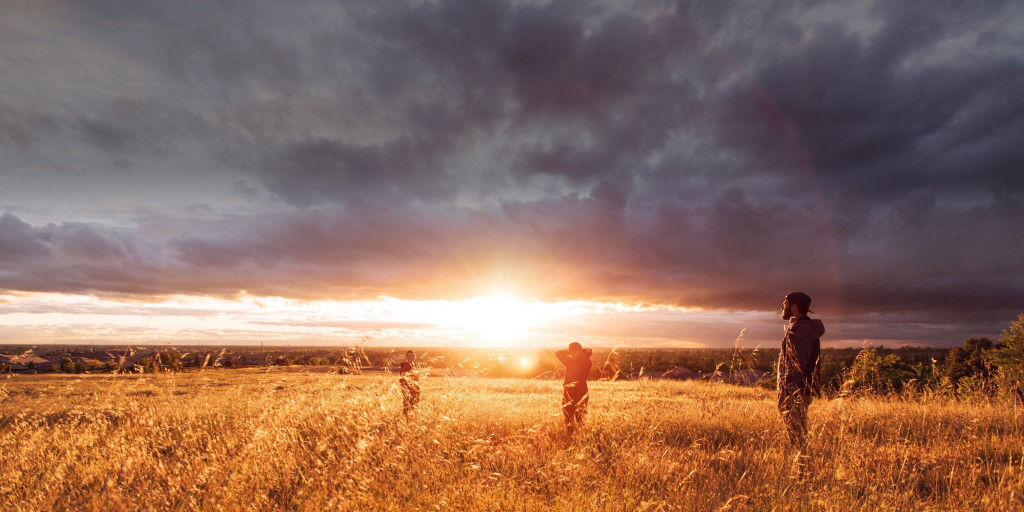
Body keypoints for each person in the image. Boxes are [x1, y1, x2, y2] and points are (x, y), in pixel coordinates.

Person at [777, 292, 825, 446]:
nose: (783, 307)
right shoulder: (800, 327)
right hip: (799, 389)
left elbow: (798, 364)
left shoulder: (800, 330)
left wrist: (789, 391)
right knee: (797, 432)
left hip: (795, 391)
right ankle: (801, 461)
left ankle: (802, 463)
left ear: (795, 307)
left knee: (797, 434)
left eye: (785, 304)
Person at [556, 342, 592, 435]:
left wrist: (581, 352)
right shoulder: (570, 360)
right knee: (568, 416)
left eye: (574, 352)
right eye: (570, 352)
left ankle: (582, 436)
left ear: (580, 352)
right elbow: (557, 353)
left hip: (581, 392)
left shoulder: (586, 361)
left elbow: (559, 354)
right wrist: (571, 351)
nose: (572, 354)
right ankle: (570, 435)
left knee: (581, 417)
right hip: (568, 392)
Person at [399, 350, 420, 415]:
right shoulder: (406, 366)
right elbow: (402, 379)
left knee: (413, 408)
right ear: (407, 357)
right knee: (408, 408)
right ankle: (407, 421)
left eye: (413, 355)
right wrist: (407, 389)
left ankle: (409, 420)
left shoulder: (414, 365)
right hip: (409, 391)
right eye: (410, 356)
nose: (412, 357)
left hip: (414, 391)